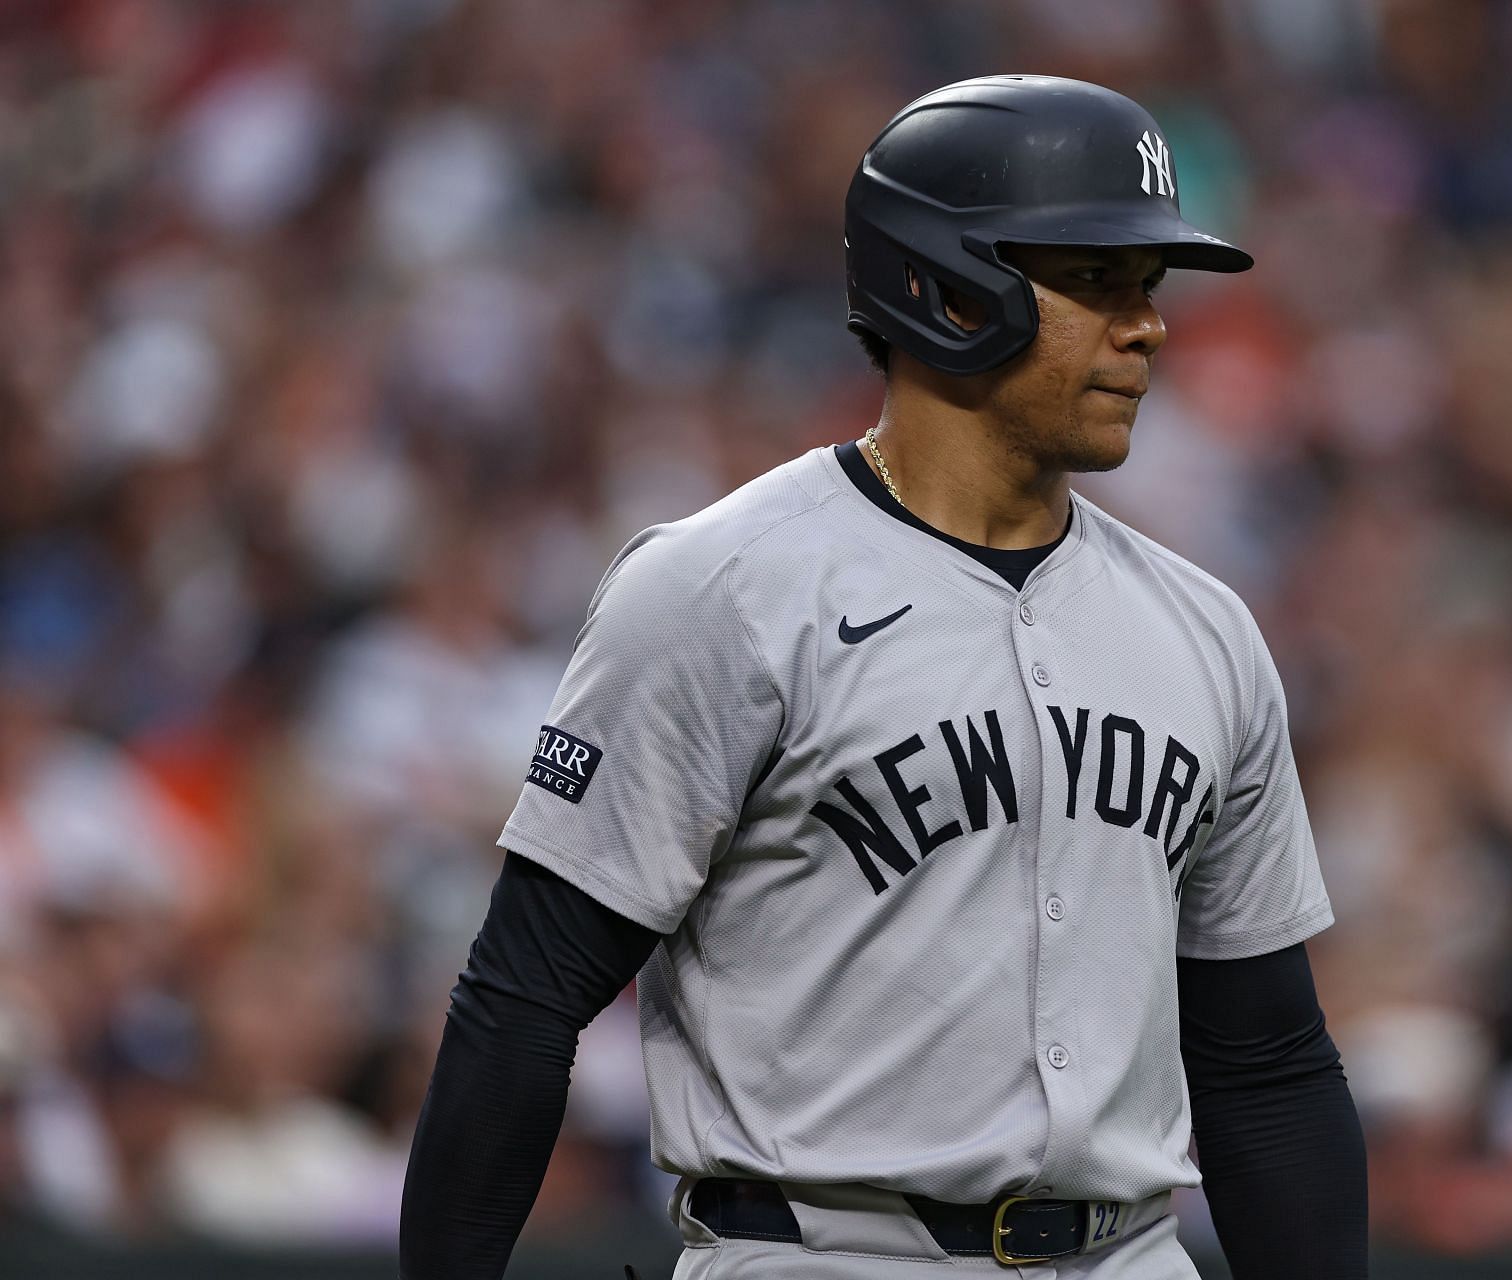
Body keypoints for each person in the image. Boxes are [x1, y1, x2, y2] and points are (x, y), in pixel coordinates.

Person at [398, 75, 1368, 1279]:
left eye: (1148, 286)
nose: (1148, 326)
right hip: (824, 1250)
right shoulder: (725, 589)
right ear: (945, 284)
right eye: (1095, 280)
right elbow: (525, 999)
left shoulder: (1204, 630)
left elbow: (1264, 1061)